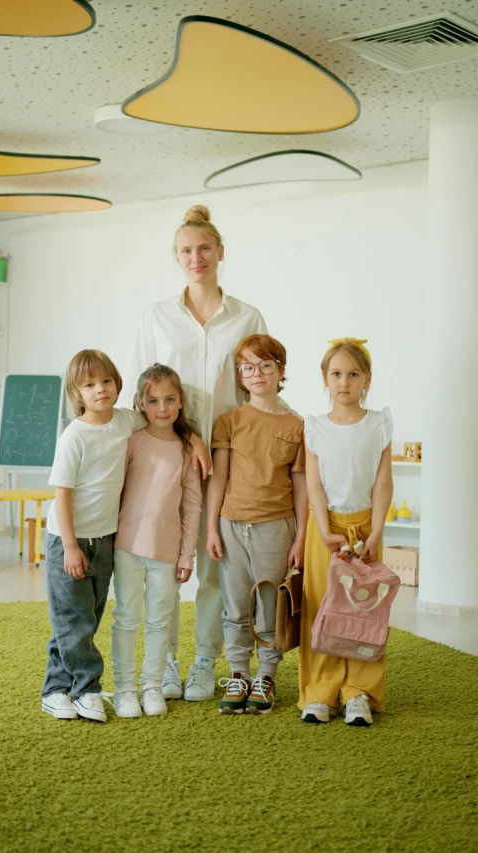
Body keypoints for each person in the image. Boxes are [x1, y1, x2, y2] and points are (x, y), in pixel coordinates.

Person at [122, 205, 271, 702]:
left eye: (204, 248)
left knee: (215, 565)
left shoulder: (248, 317)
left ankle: (206, 660)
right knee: (162, 564)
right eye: (186, 250)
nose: (196, 257)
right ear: (176, 258)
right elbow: (142, 392)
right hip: (167, 460)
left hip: (230, 462)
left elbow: (257, 388)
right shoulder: (157, 316)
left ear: (221, 252)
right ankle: (164, 662)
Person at [41, 349, 145, 723]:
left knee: (83, 619)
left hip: (104, 540)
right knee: (75, 621)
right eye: (89, 384)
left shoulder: (125, 421)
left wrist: (195, 441)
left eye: (106, 381)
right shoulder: (74, 436)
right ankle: (87, 688)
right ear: (77, 393)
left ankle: (55, 690)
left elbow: (161, 421)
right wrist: (69, 546)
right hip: (67, 541)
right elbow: (62, 495)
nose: (100, 389)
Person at [206, 335, 308, 715]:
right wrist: (212, 528)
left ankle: (266, 676)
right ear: (240, 376)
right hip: (232, 525)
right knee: (234, 605)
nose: (257, 373)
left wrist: (300, 535)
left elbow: (301, 485)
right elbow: (218, 478)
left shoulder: (298, 426)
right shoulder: (230, 421)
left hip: (276, 527)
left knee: (269, 605)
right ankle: (238, 673)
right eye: (248, 367)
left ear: (281, 371)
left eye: (266, 365)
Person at [299, 338, 393, 727]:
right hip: (327, 529)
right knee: (322, 605)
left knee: (363, 610)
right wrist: (323, 530)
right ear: (325, 378)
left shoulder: (379, 423)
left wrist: (375, 532)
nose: (344, 382)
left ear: (367, 380)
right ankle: (320, 692)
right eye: (336, 374)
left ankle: (359, 692)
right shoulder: (316, 427)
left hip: (366, 528)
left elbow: (383, 482)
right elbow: (314, 485)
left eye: (353, 374)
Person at [112, 364, 202, 718]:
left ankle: (152, 685)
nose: (162, 407)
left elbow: (192, 506)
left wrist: (186, 556)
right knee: (126, 618)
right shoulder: (132, 441)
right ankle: (125, 689)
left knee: (159, 621)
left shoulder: (186, 450)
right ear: (140, 403)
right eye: (153, 400)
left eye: (169, 399)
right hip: (127, 546)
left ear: (181, 403)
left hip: (166, 551)